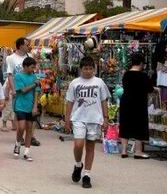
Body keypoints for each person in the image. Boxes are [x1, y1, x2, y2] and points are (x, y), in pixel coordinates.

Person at [65, 56, 110, 189]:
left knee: (90, 147)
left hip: (95, 119)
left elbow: (103, 101)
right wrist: (67, 120)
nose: (88, 71)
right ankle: (78, 164)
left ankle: (87, 175)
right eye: (85, 68)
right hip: (78, 118)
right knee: (78, 144)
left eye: (91, 69)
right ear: (80, 69)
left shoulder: (99, 82)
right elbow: (69, 102)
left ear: (94, 69)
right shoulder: (74, 83)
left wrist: (106, 118)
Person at [6, 37, 40, 146]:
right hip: (19, 87)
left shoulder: (30, 56)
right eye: (26, 44)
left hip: (30, 88)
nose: (28, 46)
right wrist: (13, 89)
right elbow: (10, 74)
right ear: (20, 46)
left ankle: (31, 136)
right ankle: (19, 137)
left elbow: (35, 72)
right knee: (20, 114)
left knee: (31, 114)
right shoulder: (11, 58)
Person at [119, 53, 153, 159]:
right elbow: (150, 89)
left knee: (125, 124)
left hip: (126, 101)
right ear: (141, 63)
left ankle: (124, 151)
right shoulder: (143, 76)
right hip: (139, 103)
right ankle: (138, 151)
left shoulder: (126, 74)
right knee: (140, 125)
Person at [13, 57, 40, 161]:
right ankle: (18, 143)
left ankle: (27, 152)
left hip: (30, 106)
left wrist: (35, 106)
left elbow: (36, 92)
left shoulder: (34, 76)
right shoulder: (18, 76)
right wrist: (34, 84)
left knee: (29, 129)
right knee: (21, 127)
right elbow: (23, 90)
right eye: (32, 67)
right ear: (25, 66)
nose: (33, 69)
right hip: (20, 106)